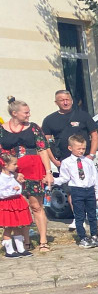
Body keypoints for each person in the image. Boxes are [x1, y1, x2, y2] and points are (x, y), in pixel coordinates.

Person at [0, 99, 56, 252]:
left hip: (33, 170)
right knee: (20, 207)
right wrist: (12, 172)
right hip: (11, 173)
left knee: (36, 206)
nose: (29, 114)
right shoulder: (2, 129)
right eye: (26, 112)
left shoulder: (33, 128)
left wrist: (48, 172)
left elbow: (43, 149)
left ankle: (43, 240)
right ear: (14, 113)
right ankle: (25, 241)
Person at [42, 89, 98, 232]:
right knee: (71, 191)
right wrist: (54, 161)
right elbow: (45, 143)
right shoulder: (49, 120)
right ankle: (78, 217)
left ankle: (94, 216)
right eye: (62, 100)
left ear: (72, 100)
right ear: (56, 102)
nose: (65, 102)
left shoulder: (83, 115)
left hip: (84, 160)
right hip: (65, 161)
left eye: (67, 99)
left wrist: (91, 155)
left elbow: (95, 135)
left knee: (89, 188)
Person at [52, 133, 98, 248]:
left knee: (92, 214)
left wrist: (97, 192)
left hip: (89, 190)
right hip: (76, 190)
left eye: (83, 148)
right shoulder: (66, 162)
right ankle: (83, 237)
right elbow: (64, 178)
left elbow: (95, 178)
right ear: (70, 148)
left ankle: (94, 235)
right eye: (78, 148)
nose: (81, 151)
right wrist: (53, 181)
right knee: (79, 215)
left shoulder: (88, 161)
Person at [0, 154, 33, 258]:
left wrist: (19, 185)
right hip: (7, 203)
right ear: (5, 165)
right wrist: (12, 191)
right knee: (9, 227)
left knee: (18, 225)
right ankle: (9, 250)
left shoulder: (13, 175)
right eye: (14, 164)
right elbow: (2, 193)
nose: (16, 166)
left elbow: (18, 188)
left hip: (17, 201)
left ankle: (20, 248)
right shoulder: (2, 178)